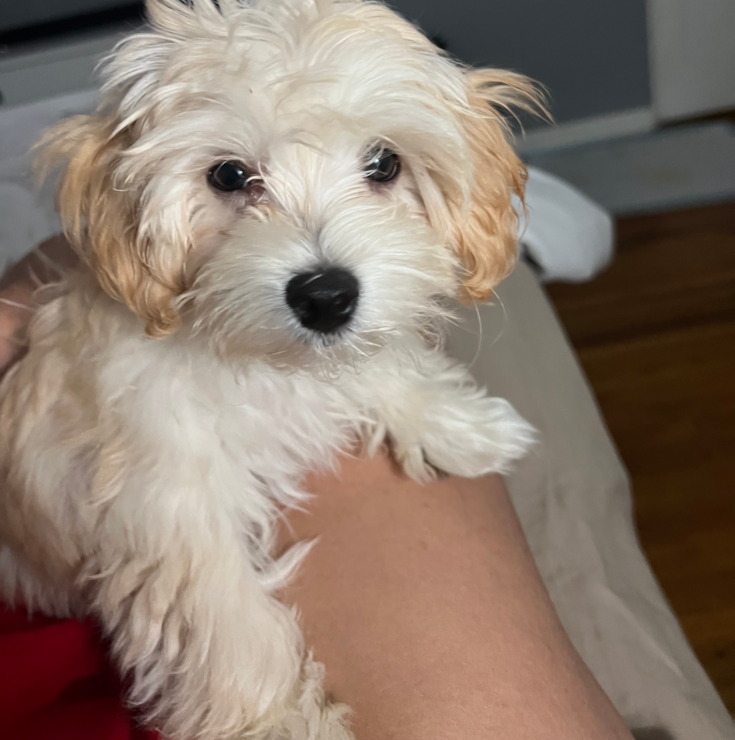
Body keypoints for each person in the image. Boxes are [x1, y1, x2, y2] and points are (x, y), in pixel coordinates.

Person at [0, 236, 634, 740]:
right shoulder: (149, 407)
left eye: (379, 168)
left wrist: (407, 395)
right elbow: (184, 591)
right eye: (234, 179)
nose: (324, 249)